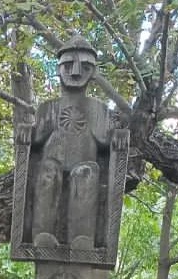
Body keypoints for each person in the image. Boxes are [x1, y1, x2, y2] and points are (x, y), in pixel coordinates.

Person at [18, 36, 119, 249]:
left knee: (87, 173)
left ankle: (81, 237)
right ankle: (42, 233)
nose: (75, 71)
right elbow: (36, 138)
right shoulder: (48, 107)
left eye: (84, 66)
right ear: (58, 69)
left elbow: (106, 140)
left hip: (84, 163)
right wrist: (26, 132)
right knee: (47, 171)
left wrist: (119, 137)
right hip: (52, 161)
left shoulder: (98, 109)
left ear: (93, 72)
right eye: (68, 65)